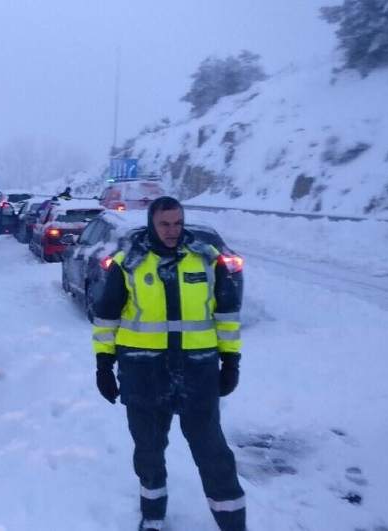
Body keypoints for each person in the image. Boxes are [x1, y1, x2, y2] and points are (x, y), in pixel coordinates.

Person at [92, 196, 245, 531]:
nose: (172, 230)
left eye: (177, 223)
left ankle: (233, 523)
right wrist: (104, 366)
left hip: (198, 370)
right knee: (148, 452)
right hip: (142, 372)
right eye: (165, 224)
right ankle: (153, 516)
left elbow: (227, 316)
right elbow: (106, 318)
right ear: (152, 223)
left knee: (213, 453)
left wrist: (231, 361)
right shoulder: (128, 263)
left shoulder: (207, 260)